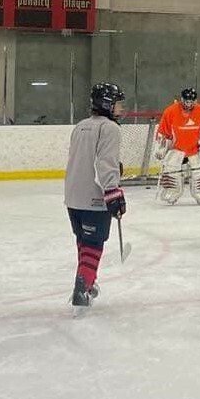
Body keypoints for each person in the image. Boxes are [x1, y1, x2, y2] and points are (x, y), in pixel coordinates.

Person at [64, 82, 127, 312]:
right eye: (118, 104)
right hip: (94, 197)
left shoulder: (80, 126)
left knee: (84, 241)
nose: (121, 109)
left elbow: (84, 159)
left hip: (72, 197)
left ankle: (87, 283)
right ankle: (83, 285)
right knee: (94, 243)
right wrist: (113, 192)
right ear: (107, 105)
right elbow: (104, 163)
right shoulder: (110, 128)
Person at [155, 87, 200, 205]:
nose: (189, 104)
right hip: (177, 148)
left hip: (195, 149)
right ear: (182, 99)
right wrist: (161, 148)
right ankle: (171, 191)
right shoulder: (170, 111)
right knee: (171, 168)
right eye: (186, 101)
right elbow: (163, 133)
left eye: (191, 101)